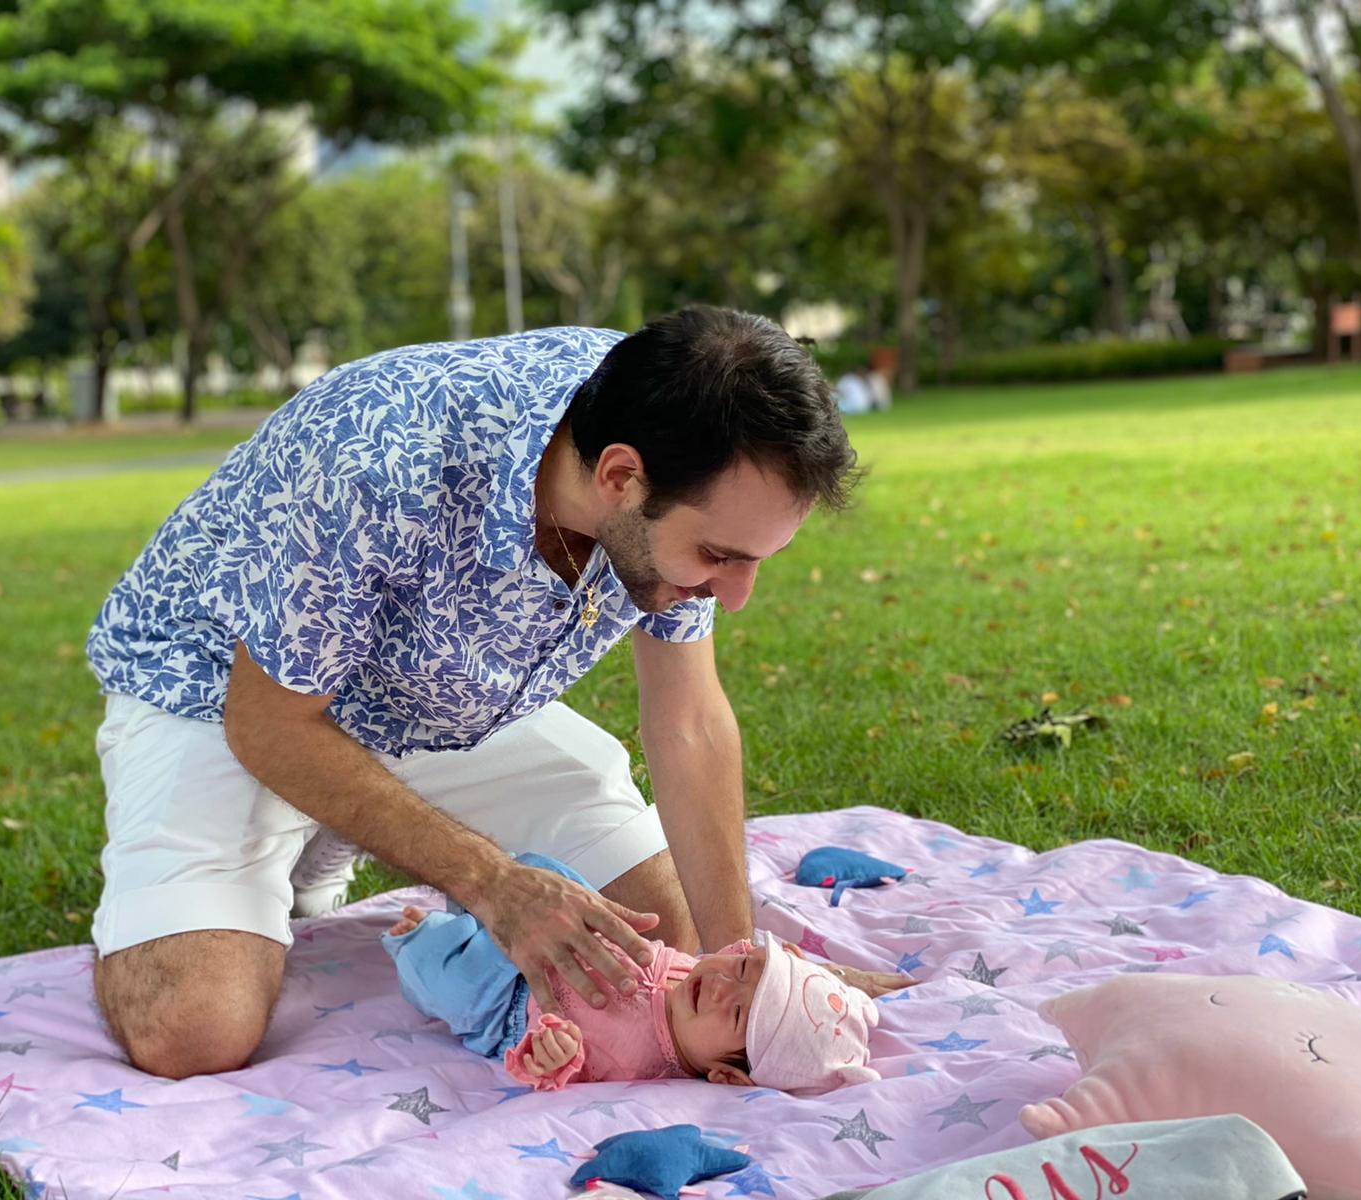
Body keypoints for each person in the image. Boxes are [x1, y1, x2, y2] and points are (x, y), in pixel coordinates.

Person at [84, 306, 909, 1080]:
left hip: (441, 708)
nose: (736, 595)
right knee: (193, 1031)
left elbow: (688, 717)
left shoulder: (682, 422)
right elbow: (267, 724)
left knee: (666, 941)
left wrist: (739, 968)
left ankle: (332, 834)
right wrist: (493, 883)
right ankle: (287, 847)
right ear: (621, 477)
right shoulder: (373, 457)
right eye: (722, 555)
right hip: (225, 693)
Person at [381, 853, 880, 1094]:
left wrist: (550, 1054)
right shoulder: (700, 975)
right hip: (561, 939)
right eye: (744, 968)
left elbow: (560, 1073)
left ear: (725, 1074)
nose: (724, 983)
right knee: (546, 869)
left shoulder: (643, 1065)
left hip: (509, 1004)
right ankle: (480, 904)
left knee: (446, 980)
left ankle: (423, 936)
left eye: (737, 1010)